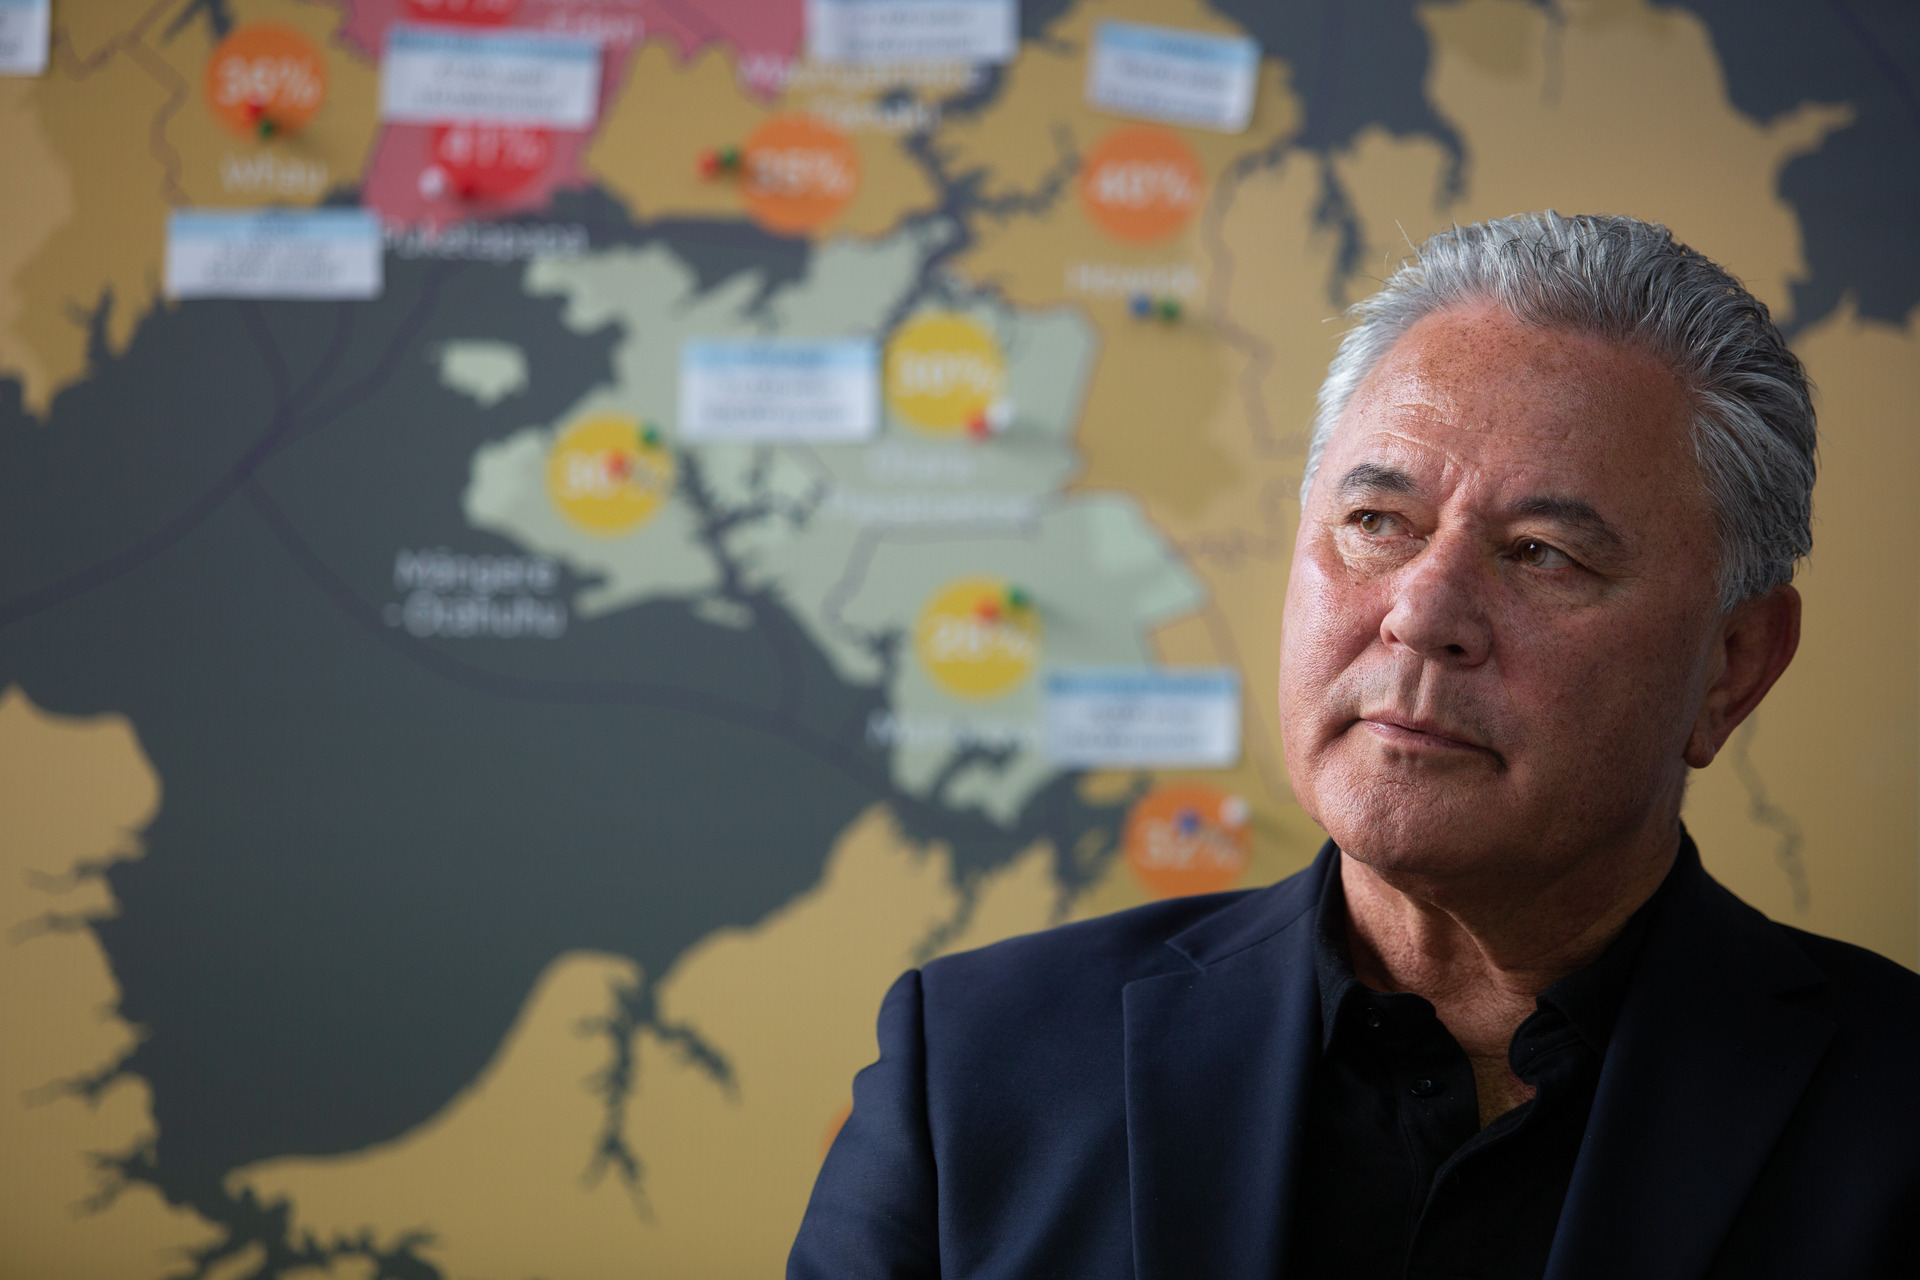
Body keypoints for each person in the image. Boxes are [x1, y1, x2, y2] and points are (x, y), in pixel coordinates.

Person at [788, 213, 1920, 1280]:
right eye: (1377, 522)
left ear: (1733, 664)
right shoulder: (972, 1065)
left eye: (1542, 552)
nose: (1422, 613)